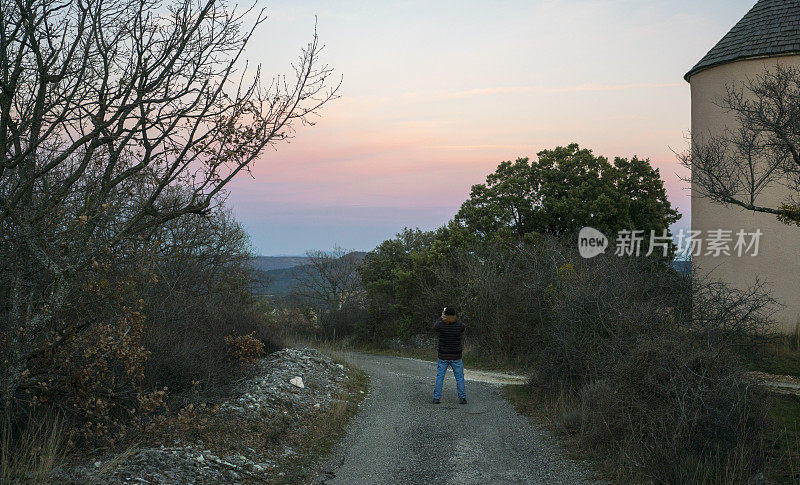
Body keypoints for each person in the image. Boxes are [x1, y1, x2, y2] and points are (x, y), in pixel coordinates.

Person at [432, 306, 467, 404]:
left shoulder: (440, 324)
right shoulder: (459, 325)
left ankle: (436, 398)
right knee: (459, 377)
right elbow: (463, 326)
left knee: (440, 377)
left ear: (445, 314)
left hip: (443, 355)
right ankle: (462, 398)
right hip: (456, 356)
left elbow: (434, 327)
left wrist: (441, 317)